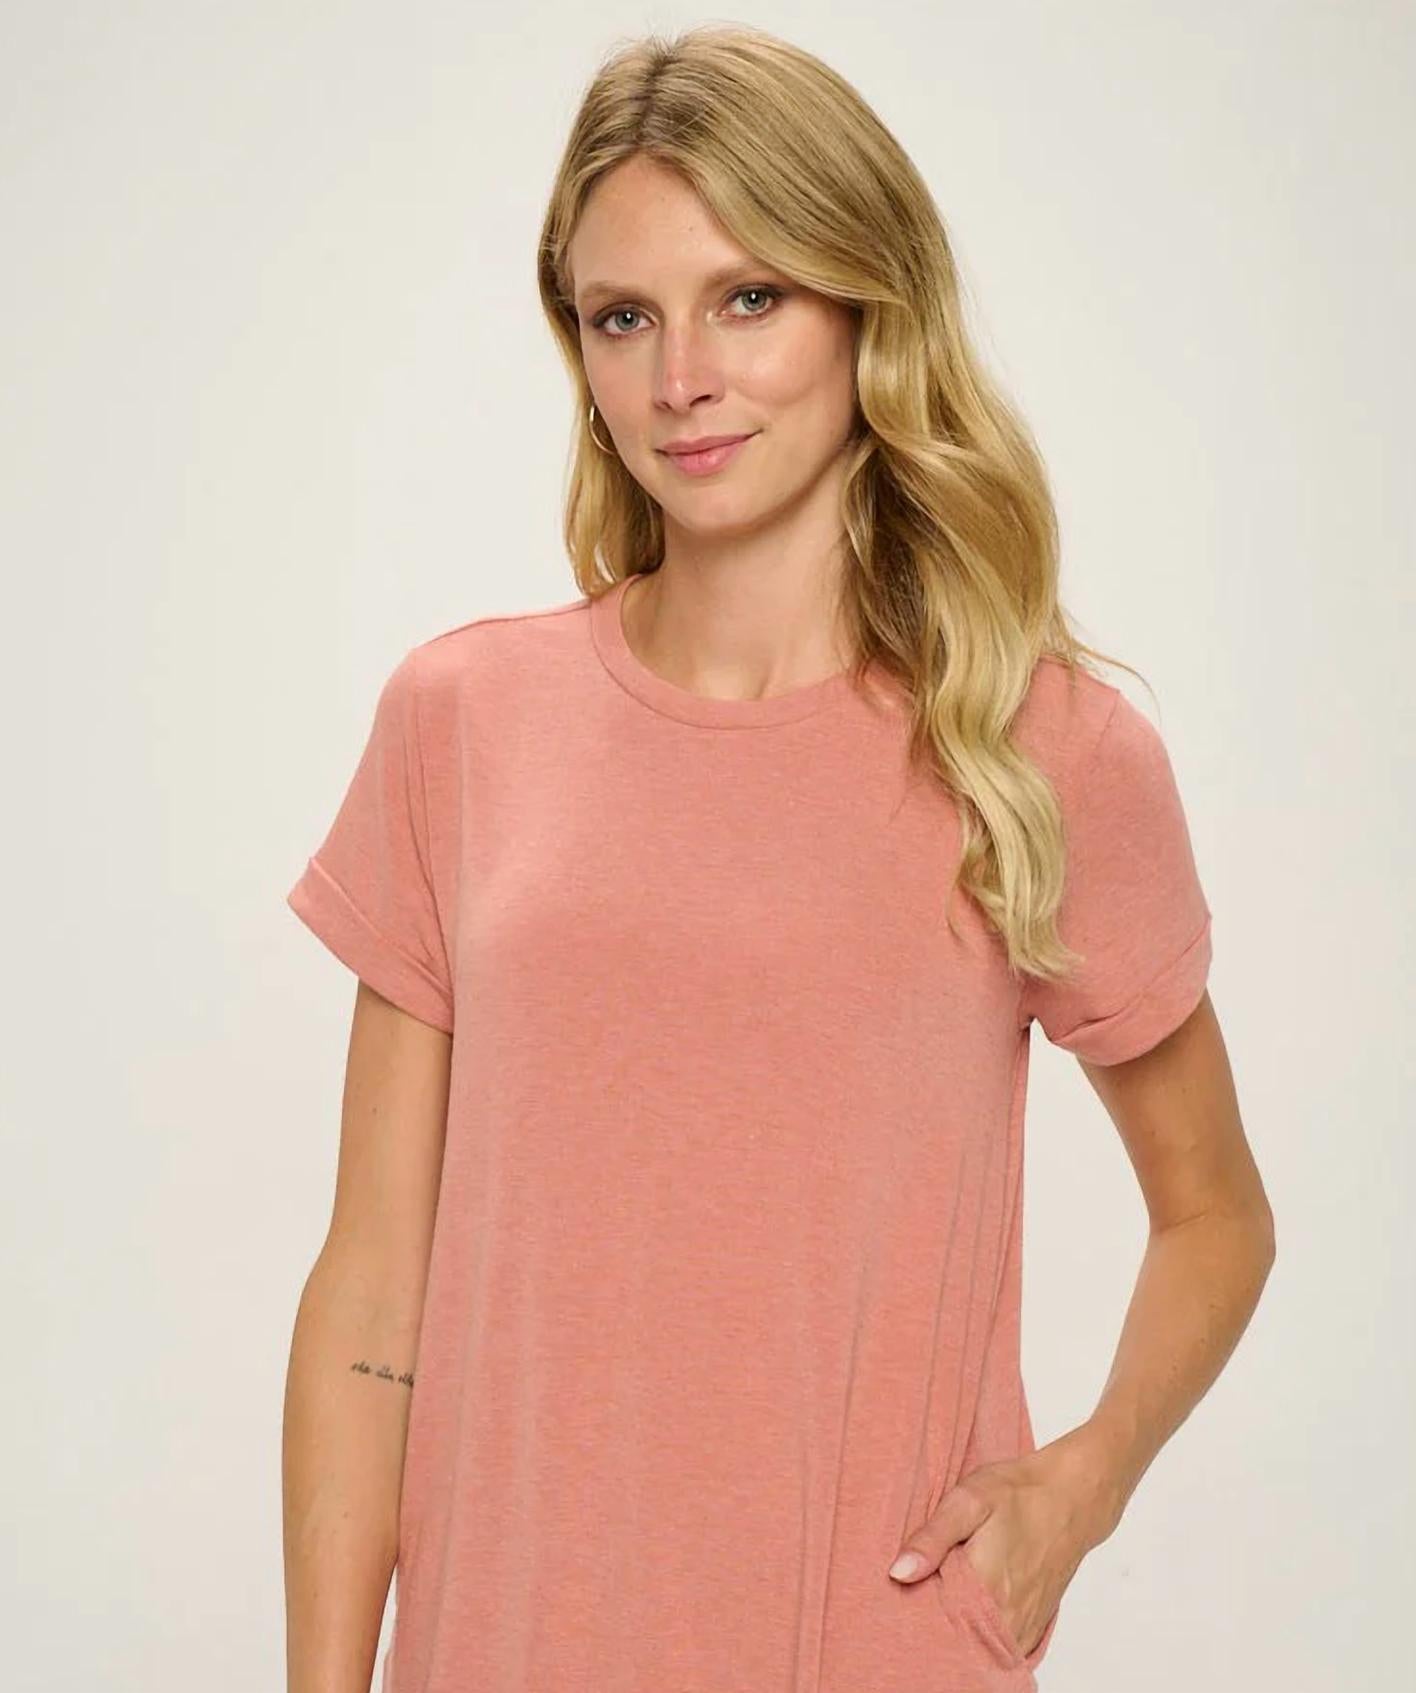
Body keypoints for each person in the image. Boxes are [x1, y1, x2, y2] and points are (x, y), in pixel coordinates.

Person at [281, 23, 1274, 1693]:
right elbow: (372, 1294)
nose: (682, 376)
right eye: (623, 316)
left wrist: (1080, 1486)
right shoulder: (462, 720)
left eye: (749, 297)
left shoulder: (1039, 747)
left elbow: (1217, 1214)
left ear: (867, 307)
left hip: (873, 1646)